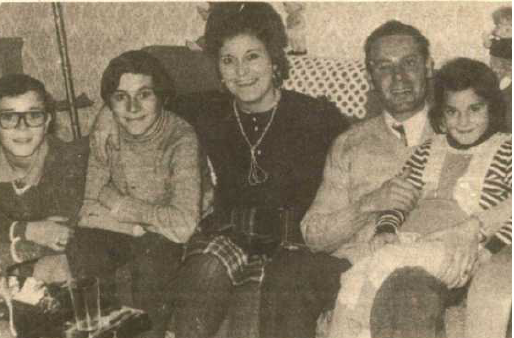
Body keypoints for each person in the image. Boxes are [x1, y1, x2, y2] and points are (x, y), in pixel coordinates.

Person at [88, 3, 348, 337]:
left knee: (250, 317)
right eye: (228, 60)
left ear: (274, 59)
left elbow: (359, 155)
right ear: (219, 70)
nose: (241, 71)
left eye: (252, 56)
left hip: (288, 246)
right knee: (204, 272)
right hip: (228, 232)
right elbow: (142, 97)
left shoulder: (315, 116)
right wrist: (105, 116)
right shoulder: (207, 110)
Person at [260, 20, 435, 338]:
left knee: (408, 289)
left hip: (421, 270)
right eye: (384, 67)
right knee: (289, 270)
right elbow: (313, 234)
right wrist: (368, 204)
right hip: (355, 263)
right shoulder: (350, 143)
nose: (398, 78)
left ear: (429, 66)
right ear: (370, 78)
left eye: (409, 63)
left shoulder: (460, 130)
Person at [328, 58, 511, 338]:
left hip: (455, 250)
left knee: (382, 265)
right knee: (353, 278)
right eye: (453, 111)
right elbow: (400, 197)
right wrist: (386, 228)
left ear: (492, 108)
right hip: (409, 241)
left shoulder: (506, 150)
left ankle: (362, 326)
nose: (463, 121)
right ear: (441, 113)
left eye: (475, 109)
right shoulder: (428, 149)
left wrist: (490, 249)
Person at [71, 50, 203, 338]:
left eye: (144, 95)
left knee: (153, 264)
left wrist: (116, 202)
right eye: (120, 97)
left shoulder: (181, 139)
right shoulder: (105, 133)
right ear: (110, 103)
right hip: (135, 229)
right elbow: (88, 210)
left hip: (169, 238)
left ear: (161, 97)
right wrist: (135, 227)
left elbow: (182, 226)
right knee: (84, 247)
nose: (132, 107)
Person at [0, 73, 88, 282]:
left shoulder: (69, 163)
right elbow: (41, 239)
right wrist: (27, 230)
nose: (22, 127)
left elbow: (59, 239)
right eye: (8, 117)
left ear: (47, 120)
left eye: (34, 115)